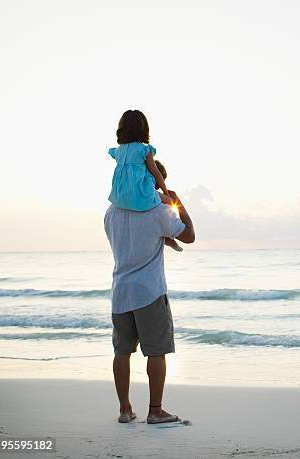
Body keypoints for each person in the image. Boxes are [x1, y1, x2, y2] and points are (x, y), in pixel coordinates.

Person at [104, 111, 196, 425]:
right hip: (149, 291)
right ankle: (155, 411)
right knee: (156, 352)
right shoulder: (156, 210)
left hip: (120, 292)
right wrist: (176, 200)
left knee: (122, 352)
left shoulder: (111, 212)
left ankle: (124, 410)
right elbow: (190, 235)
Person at [107, 109, 182, 251]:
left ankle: (166, 237)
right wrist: (166, 192)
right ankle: (168, 238)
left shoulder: (118, 151)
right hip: (141, 194)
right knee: (170, 203)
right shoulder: (144, 150)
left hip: (120, 197)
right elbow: (156, 173)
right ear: (144, 129)